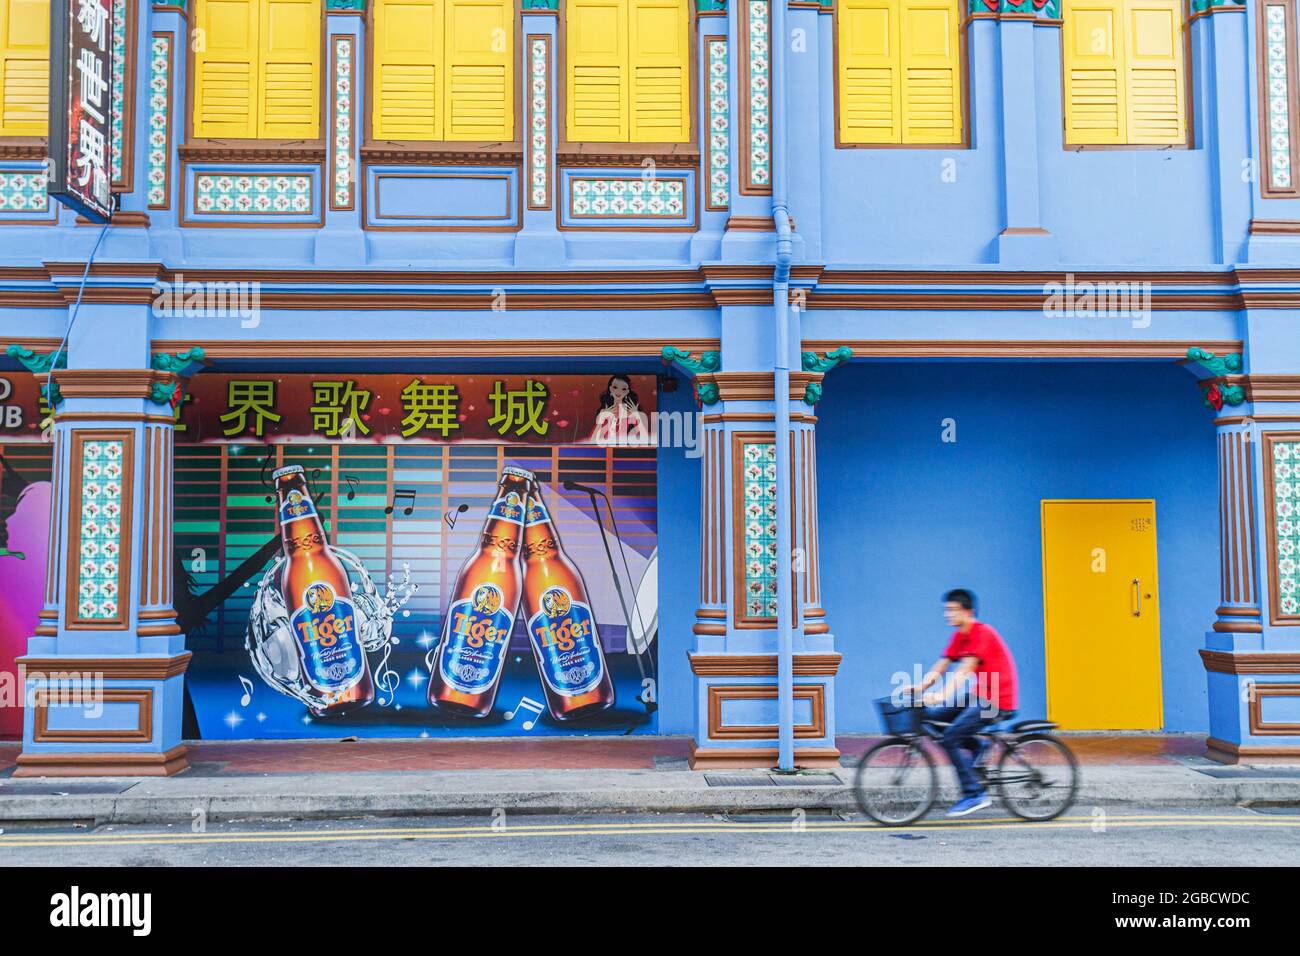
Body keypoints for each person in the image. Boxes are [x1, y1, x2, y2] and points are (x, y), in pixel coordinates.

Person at [904, 588, 1018, 817]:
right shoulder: (959, 635)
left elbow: (965, 669)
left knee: (950, 738)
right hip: (980, 695)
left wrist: (941, 695)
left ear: (968, 612)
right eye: (946, 610)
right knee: (931, 718)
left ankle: (974, 794)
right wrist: (922, 687)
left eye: (952, 610)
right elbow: (943, 664)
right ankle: (979, 747)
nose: (948, 614)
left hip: (997, 702)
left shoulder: (982, 633)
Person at [590, 374, 650, 445]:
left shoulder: (631, 413)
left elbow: (645, 441)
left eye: (623, 389)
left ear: (627, 391)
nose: (619, 391)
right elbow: (592, 441)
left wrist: (637, 416)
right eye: (615, 387)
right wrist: (601, 419)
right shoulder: (605, 413)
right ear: (610, 389)